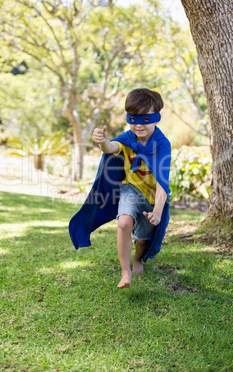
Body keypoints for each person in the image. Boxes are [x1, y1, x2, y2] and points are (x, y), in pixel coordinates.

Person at [69, 88, 171, 289]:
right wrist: (103, 142)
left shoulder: (162, 144)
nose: (138, 125)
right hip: (130, 190)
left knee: (142, 239)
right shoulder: (128, 137)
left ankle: (137, 259)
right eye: (133, 119)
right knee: (124, 223)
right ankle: (125, 272)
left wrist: (157, 211)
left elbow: (162, 183)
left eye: (145, 119)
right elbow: (111, 149)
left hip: (152, 197)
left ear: (156, 118)